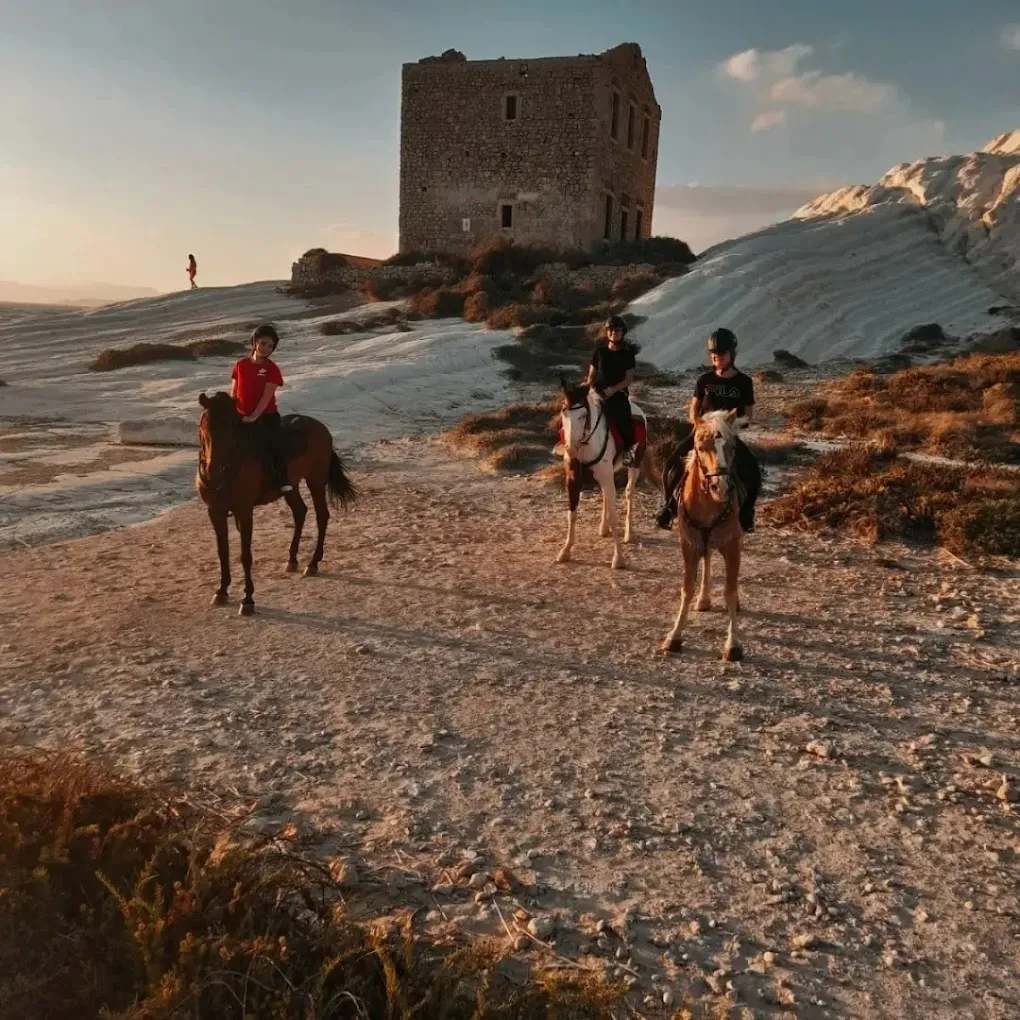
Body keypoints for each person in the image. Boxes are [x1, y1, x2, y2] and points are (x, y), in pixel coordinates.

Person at [654, 327, 761, 531]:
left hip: (726, 435)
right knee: (671, 464)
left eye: (721, 355)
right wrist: (700, 423)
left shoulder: (744, 382)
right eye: (713, 355)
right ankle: (668, 507)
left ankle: (747, 514)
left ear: (731, 355)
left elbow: (748, 415)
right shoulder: (704, 380)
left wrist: (732, 423)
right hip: (702, 434)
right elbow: (693, 409)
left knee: (753, 471)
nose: (716, 358)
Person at [229, 323, 292, 493]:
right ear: (255, 342)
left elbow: (266, 397)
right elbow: (234, 392)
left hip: (266, 416)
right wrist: (233, 413)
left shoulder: (272, 369)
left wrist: (254, 417)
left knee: (273, 446)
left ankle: (282, 480)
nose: (266, 348)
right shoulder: (240, 365)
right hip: (241, 415)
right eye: (263, 343)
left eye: (270, 346)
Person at [585, 314, 637, 463]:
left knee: (623, 420)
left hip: (617, 394)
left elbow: (628, 379)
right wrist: (590, 390)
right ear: (607, 331)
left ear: (623, 332)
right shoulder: (599, 352)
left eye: (618, 330)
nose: (614, 332)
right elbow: (591, 375)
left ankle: (628, 451)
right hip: (597, 393)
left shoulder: (627, 355)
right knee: (576, 412)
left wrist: (612, 390)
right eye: (611, 329)